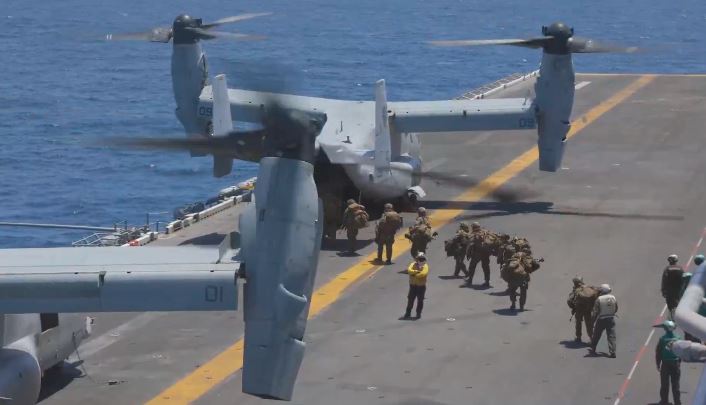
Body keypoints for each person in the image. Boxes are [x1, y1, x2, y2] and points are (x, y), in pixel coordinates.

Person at [655, 320, 682, 405]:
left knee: (664, 384)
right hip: (675, 363)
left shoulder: (662, 339)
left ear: (665, 329)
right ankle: (677, 402)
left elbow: (658, 352)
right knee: (676, 385)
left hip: (666, 364)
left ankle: (664, 401)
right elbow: (681, 352)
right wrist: (679, 362)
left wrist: (658, 364)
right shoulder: (678, 338)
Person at [590, 284, 618, 358]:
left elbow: (595, 312)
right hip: (611, 319)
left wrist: (592, 322)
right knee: (611, 336)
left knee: (596, 335)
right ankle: (613, 352)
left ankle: (593, 348)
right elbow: (616, 308)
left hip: (601, 320)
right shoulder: (613, 297)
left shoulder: (599, 299)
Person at [567, 277, 598, 343]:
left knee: (578, 323)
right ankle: (591, 338)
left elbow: (569, 301)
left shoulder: (576, 290)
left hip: (579, 310)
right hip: (588, 309)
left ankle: (578, 337)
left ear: (575, 283)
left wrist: (573, 308)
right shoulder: (588, 287)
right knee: (589, 324)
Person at [465, 222, 493, 287]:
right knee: (486, 267)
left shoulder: (474, 234)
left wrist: (468, 254)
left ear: (473, 227)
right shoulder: (485, 232)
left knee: (472, 266)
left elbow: (470, 244)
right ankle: (487, 281)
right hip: (486, 253)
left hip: (477, 253)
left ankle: (469, 280)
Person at [403, 252, 429, 319]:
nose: (420, 260)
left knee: (420, 300)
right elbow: (409, 270)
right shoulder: (413, 264)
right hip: (413, 286)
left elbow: (422, 274)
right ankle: (408, 313)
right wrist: (417, 272)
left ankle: (418, 313)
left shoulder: (425, 266)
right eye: (419, 259)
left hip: (421, 287)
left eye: (422, 259)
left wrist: (414, 274)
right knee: (410, 300)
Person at [662, 254, 685, 319]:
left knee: (670, 305)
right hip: (678, 290)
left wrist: (663, 291)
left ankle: (671, 317)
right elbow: (683, 279)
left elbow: (664, 280)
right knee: (678, 303)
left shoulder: (667, 269)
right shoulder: (680, 269)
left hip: (669, 290)